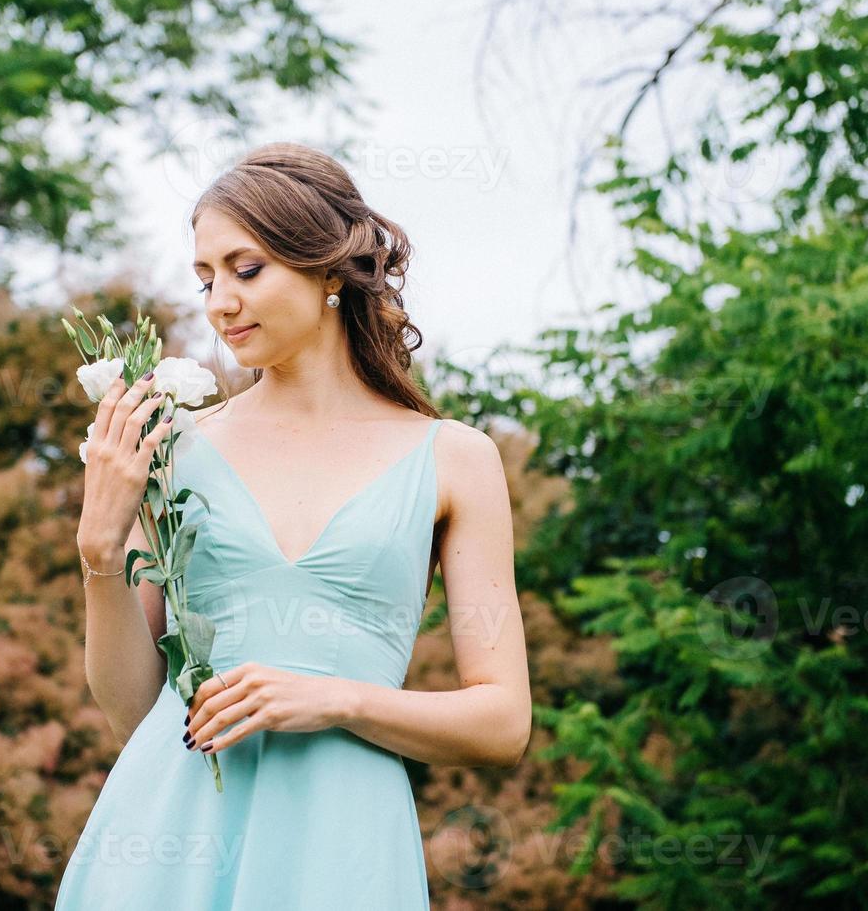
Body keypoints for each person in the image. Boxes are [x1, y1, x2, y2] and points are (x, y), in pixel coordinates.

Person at [54, 142, 531, 909]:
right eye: (206, 279)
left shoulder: (455, 461)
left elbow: (503, 723)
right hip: (169, 841)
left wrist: (335, 699)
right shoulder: (175, 447)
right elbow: (131, 711)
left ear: (330, 269)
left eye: (247, 270)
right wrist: (99, 549)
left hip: (342, 848)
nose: (219, 303)